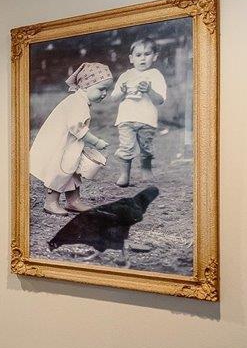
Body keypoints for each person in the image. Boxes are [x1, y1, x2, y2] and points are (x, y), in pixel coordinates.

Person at [30, 61, 113, 216]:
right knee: (61, 170)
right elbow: (77, 128)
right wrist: (97, 142)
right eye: (101, 89)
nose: (104, 94)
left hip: (70, 143)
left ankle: (73, 201)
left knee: (73, 170)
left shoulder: (81, 100)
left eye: (106, 90)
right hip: (60, 145)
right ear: (86, 86)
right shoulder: (77, 102)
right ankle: (51, 202)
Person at [110, 37, 167, 187]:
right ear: (131, 58)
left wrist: (149, 90)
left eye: (147, 54)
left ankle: (146, 169)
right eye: (138, 55)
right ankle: (125, 175)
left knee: (146, 147)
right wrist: (121, 92)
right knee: (126, 147)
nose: (143, 59)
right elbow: (114, 98)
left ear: (154, 56)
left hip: (146, 118)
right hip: (126, 117)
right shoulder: (125, 76)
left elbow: (160, 100)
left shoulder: (156, 75)